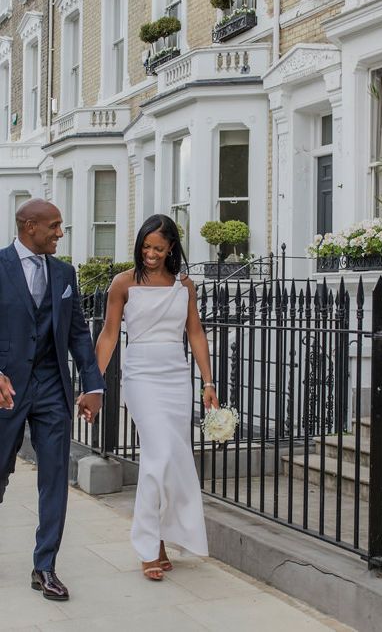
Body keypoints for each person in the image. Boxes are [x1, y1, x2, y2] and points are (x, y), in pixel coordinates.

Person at [91, 214, 217, 581]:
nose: (150, 253)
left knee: (175, 460)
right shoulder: (123, 283)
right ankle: (148, 546)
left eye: (158, 248)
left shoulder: (184, 286)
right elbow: (109, 335)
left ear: (171, 248)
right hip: (142, 375)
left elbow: (195, 333)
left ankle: (162, 539)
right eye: (146, 246)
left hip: (177, 377)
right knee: (158, 455)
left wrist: (208, 382)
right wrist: (93, 384)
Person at [0, 199, 104, 601]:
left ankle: (45, 566)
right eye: (54, 226)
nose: (61, 233)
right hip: (7, 388)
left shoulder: (64, 273)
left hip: (51, 388)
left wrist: (93, 386)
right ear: (30, 227)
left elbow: (78, 333)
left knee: (56, 479)